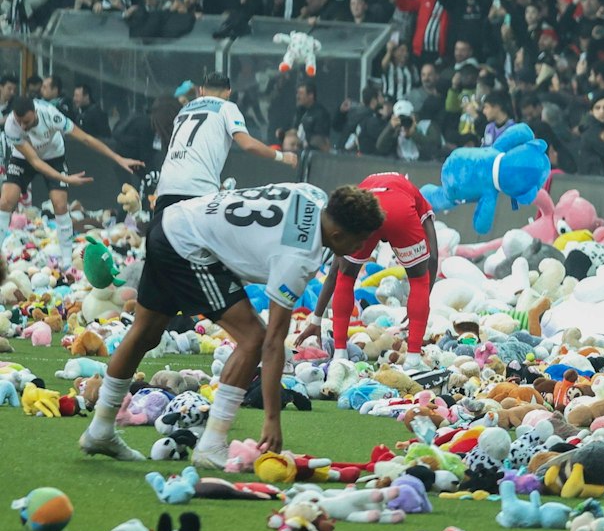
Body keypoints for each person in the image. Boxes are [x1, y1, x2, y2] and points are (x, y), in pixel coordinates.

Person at [79, 183, 384, 467]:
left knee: (144, 334)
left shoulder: (314, 195)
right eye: (360, 240)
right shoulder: (298, 256)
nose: (362, 247)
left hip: (173, 221)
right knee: (253, 338)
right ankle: (211, 444)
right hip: (190, 248)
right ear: (340, 235)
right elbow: (273, 342)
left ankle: (100, 429)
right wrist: (272, 419)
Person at [303, 173, 438, 356]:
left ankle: (340, 353)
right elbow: (434, 258)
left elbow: (334, 272)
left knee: (346, 276)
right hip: (399, 209)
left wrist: (316, 319)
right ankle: (413, 358)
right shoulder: (417, 197)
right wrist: (419, 305)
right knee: (419, 281)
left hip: (367, 207)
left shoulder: (358, 199)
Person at [1, 92, 145, 251]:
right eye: (19, 121)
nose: (22, 126)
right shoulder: (10, 125)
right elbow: (35, 161)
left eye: (26, 122)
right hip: (25, 156)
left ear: (35, 112)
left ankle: (67, 262)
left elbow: (86, 139)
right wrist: (67, 179)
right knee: (6, 201)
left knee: (60, 205)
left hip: (53, 155)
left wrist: (119, 159)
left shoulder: (51, 115)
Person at [153, 71, 296, 215]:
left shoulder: (184, 110)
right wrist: (281, 156)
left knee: (161, 236)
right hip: (198, 191)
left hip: (166, 187)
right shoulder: (227, 107)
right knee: (203, 236)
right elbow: (248, 144)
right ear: (228, 92)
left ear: (201, 91)